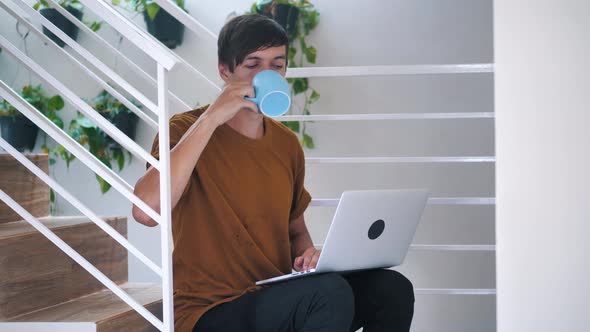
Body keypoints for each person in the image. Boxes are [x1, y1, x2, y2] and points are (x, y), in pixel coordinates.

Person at [132, 14, 414, 332]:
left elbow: (295, 231)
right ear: (225, 71)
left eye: (277, 65)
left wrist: (308, 255)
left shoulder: (286, 144)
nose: (267, 74)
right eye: (253, 64)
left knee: (391, 288)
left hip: (274, 297)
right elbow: (146, 212)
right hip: (208, 309)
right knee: (327, 295)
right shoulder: (184, 130)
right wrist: (211, 118)